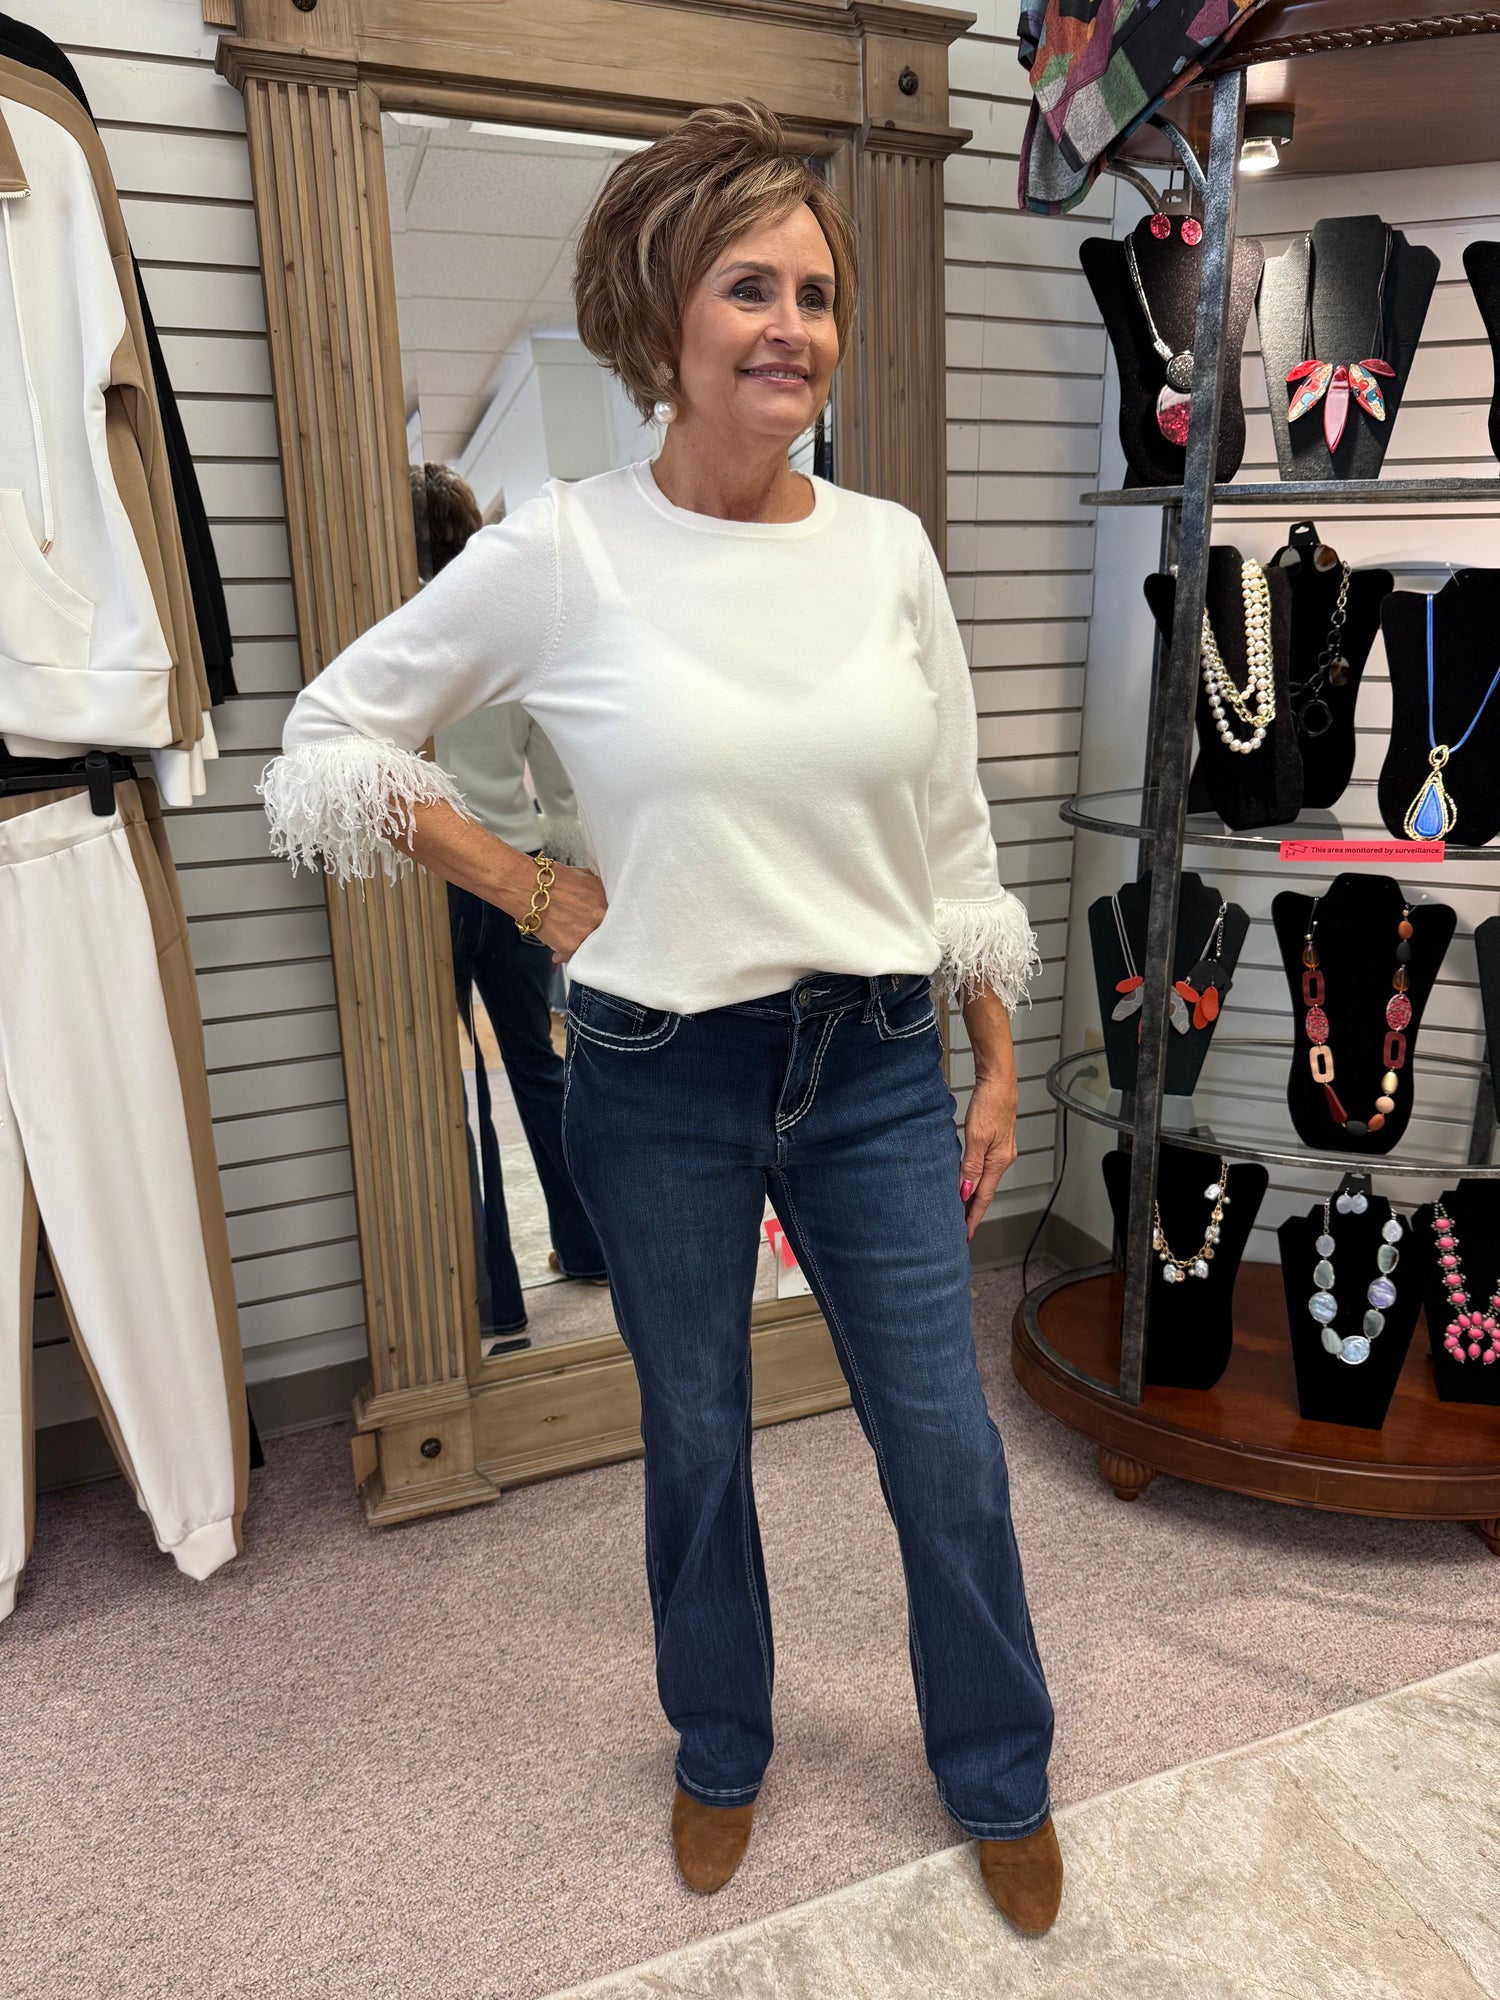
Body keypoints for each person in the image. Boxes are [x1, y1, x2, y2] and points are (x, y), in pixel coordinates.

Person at [260, 100, 1060, 1935]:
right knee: (696, 1434)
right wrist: (529, 886)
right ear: (660, 314)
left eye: (817, 295)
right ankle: (720, 1743)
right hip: (656, 1071)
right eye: (749, 287)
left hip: (875, 1062)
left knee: (944, 1442)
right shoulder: (562, 553)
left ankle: (999, 1765)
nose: (793, 327)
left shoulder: (888, 551)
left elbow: (950, 830)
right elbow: (330, 734)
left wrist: (998, 1053)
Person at [411, 463, 609, 1350]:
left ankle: (496, 1297)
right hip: (524, 870)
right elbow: (557, 770)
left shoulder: (400, 632)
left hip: (437, 874)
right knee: (537, 1063)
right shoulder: (504, 632)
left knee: (452, 1087)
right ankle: (589, 1247)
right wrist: (571, 868)